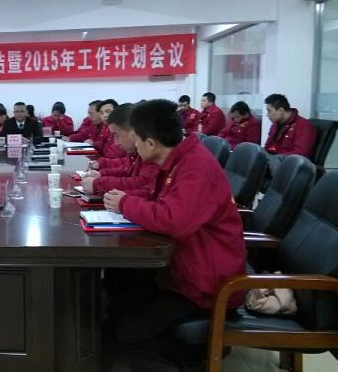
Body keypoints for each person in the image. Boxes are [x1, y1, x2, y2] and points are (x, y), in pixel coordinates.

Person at [102, 100, 245, 361]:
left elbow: (174, 220)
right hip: (181, 270)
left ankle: (198, 356)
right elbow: (154, 197)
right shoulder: (175, 159)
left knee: (126, 332)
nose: (134, 145)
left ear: (151, 143)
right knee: (116, 299)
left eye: (137, 139)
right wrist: (124, 200)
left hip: (206, 287)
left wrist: (125, 204)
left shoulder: (195, 166)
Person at [81, 104, 158, 195]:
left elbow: (143, 184)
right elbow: (126, 169)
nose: (116, 142)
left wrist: (99, 184)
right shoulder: (135, 150)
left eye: (117, 135)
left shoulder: (149, 151)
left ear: (133, 132)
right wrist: (101, 174)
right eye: (102, 113)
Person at [263, 93, 316, 175]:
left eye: (269, 111)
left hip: (288, 167)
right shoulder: (275, 125)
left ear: (280, 110)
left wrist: (273, 157)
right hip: (271, 162)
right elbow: (267, 147)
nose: (267, 115)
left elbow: (301, 154)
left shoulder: (303, 126)